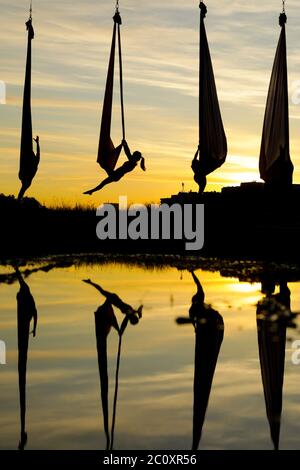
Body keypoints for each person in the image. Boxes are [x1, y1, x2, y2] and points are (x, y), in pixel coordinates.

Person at [18, 136, 40, 201]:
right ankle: (18, 200)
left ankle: (18, 201)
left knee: (22, 191)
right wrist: (37, 143)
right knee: (22, 191)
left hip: (27, 180)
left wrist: (37, 143)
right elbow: (38, 152)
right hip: (26, 178)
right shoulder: (34, 161)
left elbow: (38, 153)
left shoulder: (36, 161)